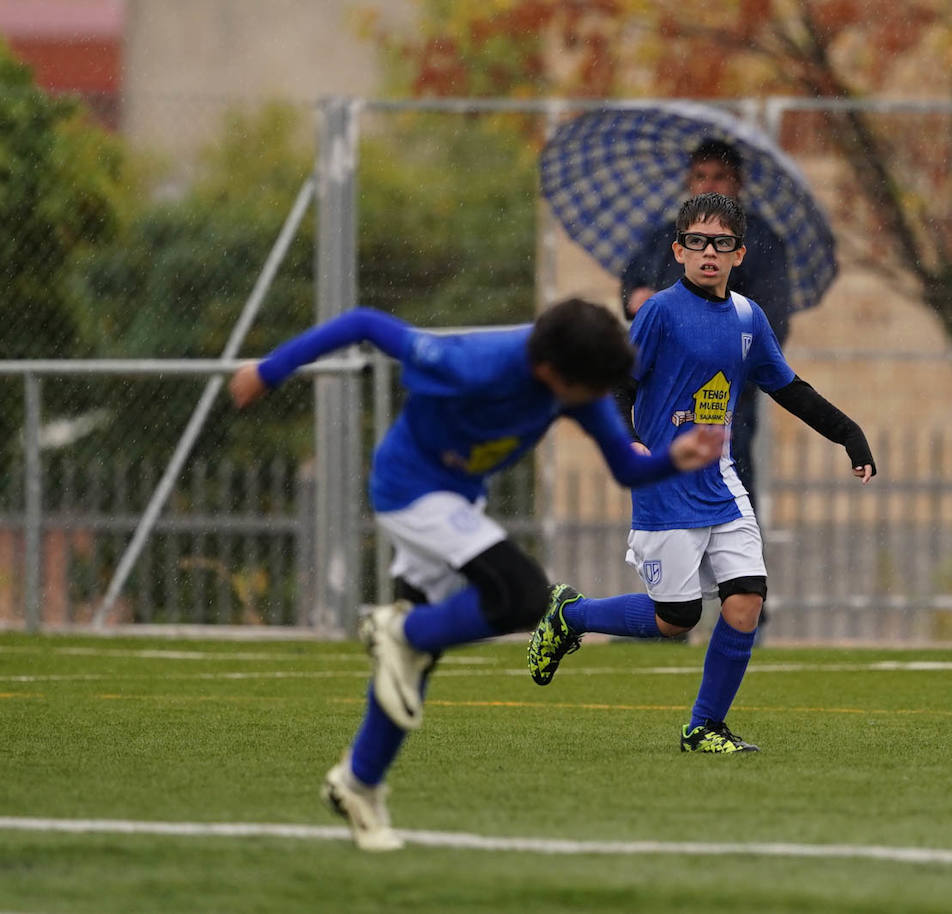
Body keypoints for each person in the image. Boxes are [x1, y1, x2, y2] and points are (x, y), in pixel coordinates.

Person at [229, 298, 724, 850]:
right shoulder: (468, 363)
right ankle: (397, 630)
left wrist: (675, 459)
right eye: (592, 389)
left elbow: (627, 467)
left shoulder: (572, 386)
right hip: (409, 490)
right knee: (522, 595)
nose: (598, 403)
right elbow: (364, 323)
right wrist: (267, 371)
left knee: (412, 669)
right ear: (551, 374)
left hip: (458, 500)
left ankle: (358, 783)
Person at [527, 193, 875, 753]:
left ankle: (704, 726)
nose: (707, 252)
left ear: (739, 253)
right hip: (666, 481)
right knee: (677, 619)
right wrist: (631, 440)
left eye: (720, 243)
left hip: (721, 480)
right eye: (696, 241)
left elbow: (786, 387)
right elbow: (618, 382)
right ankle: (571, 614)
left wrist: (848, 434)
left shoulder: (747, 316)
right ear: (678, 249)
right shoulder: (658, 312)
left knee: (747, 599)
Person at [620, 138, 792, 497]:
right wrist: (635, 296)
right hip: (664, 387)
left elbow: (770, 322)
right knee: (666, 486)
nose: (709, 185)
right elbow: (633, 281)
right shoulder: (666, 237)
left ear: (738, 183)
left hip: (726, 391)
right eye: (701, 176)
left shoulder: (760, 243)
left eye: (719, 176)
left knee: (729, 487)